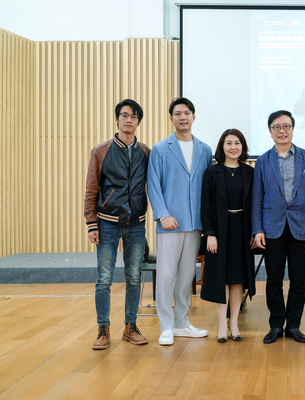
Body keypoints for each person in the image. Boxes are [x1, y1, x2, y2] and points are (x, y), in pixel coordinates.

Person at [252, 110, 305, 344]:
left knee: (298, 278)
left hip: (301, 227)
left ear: (292, 129)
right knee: (273, 278)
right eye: (277, 127)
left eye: (286, 126)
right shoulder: (262, 161)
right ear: (270, 131)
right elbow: (257, 198)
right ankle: (275, 324)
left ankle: (293, 325)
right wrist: (257, 229)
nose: (281, 131)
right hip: (272, 228)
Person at [84, 99, 150, 350]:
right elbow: (91, 190)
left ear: (139, 121)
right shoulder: (100, 151)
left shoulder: (145, 152)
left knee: (133, 277)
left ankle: (130, 326)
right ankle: (103, 328)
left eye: (133, 116)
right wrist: (91, 223)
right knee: (104, 278)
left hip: (136, 225)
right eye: (124, 115)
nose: (128, 120)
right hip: (107, 224)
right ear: (116, 119)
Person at [147, 97, 212, 346]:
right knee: (166, 276)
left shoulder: (205, 150)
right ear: (171, 118)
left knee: (186, 277)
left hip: (195, 224)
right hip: (170, 224)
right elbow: (153, 183)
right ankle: (166, 326)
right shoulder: (161, 149)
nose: (182, 117)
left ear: (194, 117)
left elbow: (208, 187)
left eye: (187, 113)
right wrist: (163, 214)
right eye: (177, 113)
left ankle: (181, 322)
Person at [200, 129, 256, 343]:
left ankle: (234, 323)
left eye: (237, 143)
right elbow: (205, 205)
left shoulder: (250, 172)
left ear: (243, 147)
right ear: (222, 147)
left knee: (237, 279)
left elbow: (256, 204)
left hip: (242, 230)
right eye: (229, 143)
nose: (233, 147)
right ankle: (222, 324)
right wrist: (210, 234)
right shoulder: (211, 172)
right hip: (219, 230)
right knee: (221, 277)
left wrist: (254, 232)